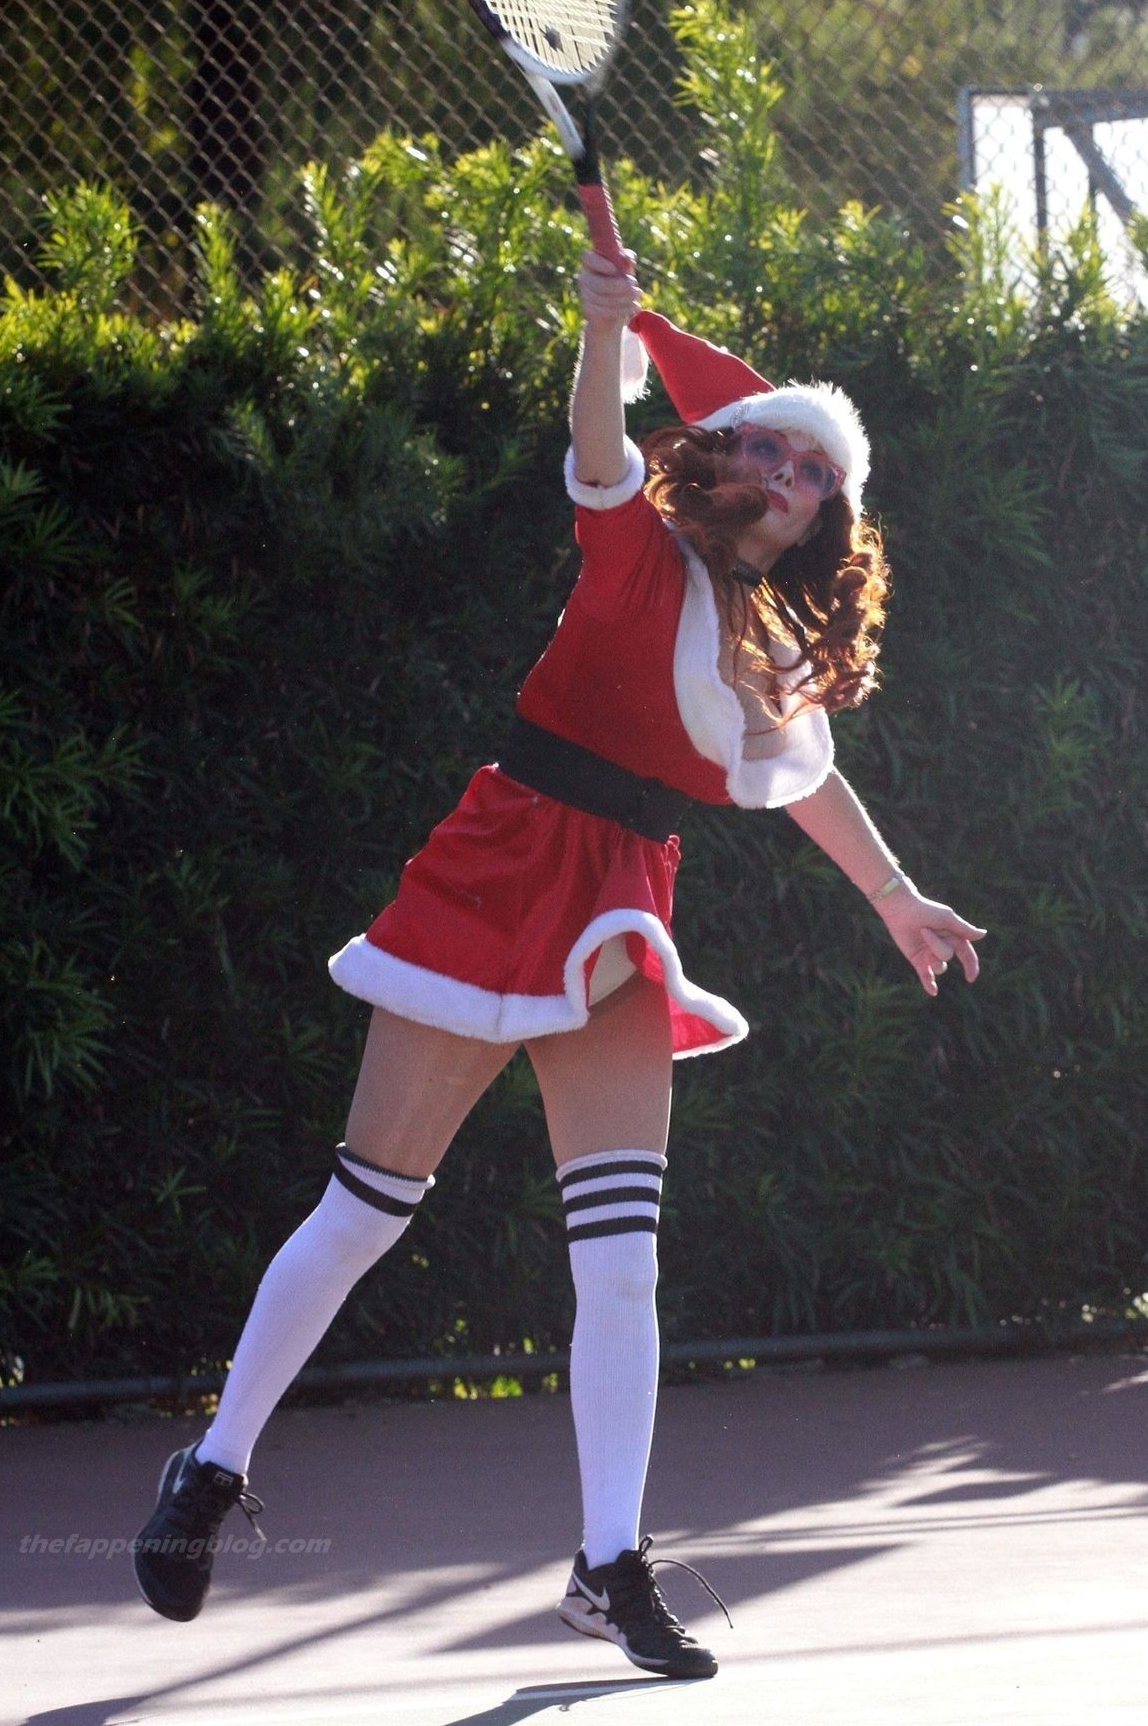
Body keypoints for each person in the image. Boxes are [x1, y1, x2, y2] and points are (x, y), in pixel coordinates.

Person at [132, 249, 986, 1680]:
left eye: (811, 469)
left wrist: (898, 900)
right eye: (767, 447)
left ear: (825, 515)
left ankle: (608, 1565)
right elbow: (598, 449)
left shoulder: (767, 644)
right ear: (720, 458)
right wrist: (604, 334)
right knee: (366, 1211)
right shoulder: (636, 543)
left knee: (622, 1260)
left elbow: (809, 782)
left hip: (623, 908)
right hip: (502, 863)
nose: (783, 472)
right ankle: (213, 1465)